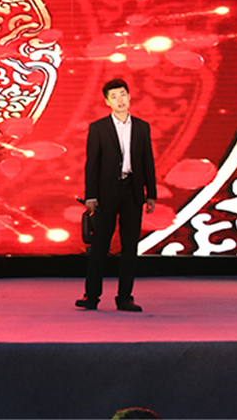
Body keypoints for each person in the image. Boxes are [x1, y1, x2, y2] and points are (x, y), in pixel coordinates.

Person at [76, 78, 156, 312]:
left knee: (130, 246)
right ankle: (91, 296)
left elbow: (147, 161)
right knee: (100, 245)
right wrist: (91, 195)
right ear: (107, 101)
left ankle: (124, 298)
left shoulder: (142, 127)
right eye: (114, 96)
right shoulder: (98, 128)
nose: (119, 100)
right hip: (106, 193)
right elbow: (92, 164)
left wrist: (150, 193)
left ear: (129, 96)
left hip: (133, 191)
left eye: (122, 94)